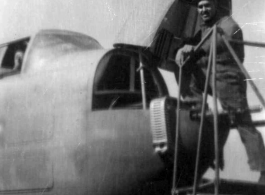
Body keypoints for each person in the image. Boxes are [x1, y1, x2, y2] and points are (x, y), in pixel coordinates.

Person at [175, 0, 265, 183]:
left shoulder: (227, 24)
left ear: (215, 6)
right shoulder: (205, 29)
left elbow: (219, 40)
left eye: (207, 5)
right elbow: (196, 45)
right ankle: (200, 110)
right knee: (185, 70)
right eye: (200, 7)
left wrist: (196, 49)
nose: (203, 10)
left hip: (228, 78)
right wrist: (181, 51)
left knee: (242, 122)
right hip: (209, 76)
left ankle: (264, 170)